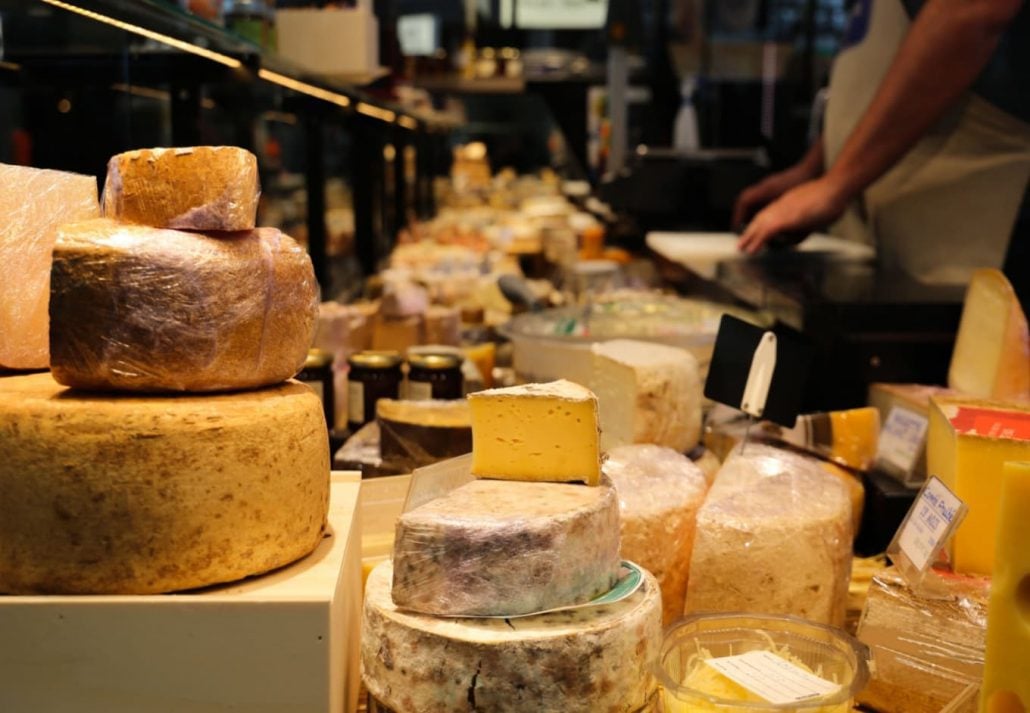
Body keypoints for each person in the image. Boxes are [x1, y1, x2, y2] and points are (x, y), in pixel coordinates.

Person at [732, 0, 1030, 295]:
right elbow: (880, 78)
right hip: (886, 227)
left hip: (958, 223)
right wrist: (815, 170)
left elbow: (971, 10)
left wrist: (837, 183)